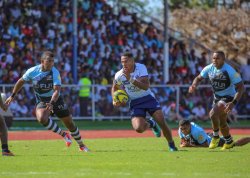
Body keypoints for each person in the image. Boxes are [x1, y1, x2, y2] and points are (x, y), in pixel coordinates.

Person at [5, 51, 89, 152]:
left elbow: (57, 90)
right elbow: (20, 81)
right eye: (49, 61)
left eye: (52, 61)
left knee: (69, 123)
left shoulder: (55, 72)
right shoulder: (32, 71)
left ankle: (81, 145)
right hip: (41, 100)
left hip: (56, 100)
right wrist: (12, 96)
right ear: (42, 61)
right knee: (41, 118)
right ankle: (64, 134)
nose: (51, 63)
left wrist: (52, 103)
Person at [111, 52, 178, 151]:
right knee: (139, 128)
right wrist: (114, 99)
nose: (124, 64)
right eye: (122, 62)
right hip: (135, 102)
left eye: (126, 61)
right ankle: (152, 124)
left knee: (161, 122)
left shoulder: (141, 68)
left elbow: (146, 86)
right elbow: (114, 87)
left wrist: (130, 79)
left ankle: (171, 145)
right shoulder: (119, 75)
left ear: (132, 61)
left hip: (148, 98)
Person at [189, 51, 245, 150]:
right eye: (213, 58)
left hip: (229, 97)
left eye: (217, 58)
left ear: (223, 60)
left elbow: (241, 87)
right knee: (222, 123)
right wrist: (194, 85)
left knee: (212, 114)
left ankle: (215, 137)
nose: (215, 60)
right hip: (217, 97)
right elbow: (198, 78)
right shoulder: (209, 68)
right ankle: (229, 141)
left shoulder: (230, 70)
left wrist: (233, 102)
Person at [178, 119, 250, 148]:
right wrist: (184, 144)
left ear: (189, 126)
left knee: (234, 144)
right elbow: (183, 142)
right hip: (206, 136)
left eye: (185, 129)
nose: (183, 131)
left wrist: (190, 146)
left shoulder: (197, 131)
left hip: (213, 141)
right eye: (182, 129)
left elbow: (206, 145)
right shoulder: (180, 130)